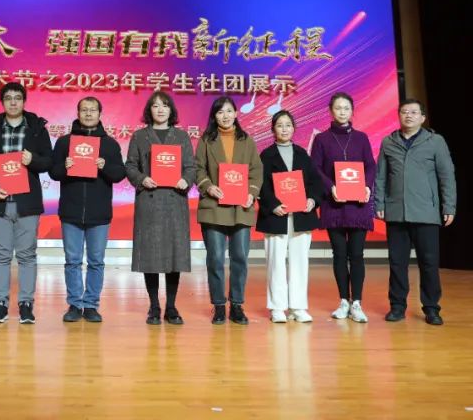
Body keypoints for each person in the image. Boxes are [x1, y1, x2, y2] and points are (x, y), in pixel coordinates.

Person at [375, 98, 457, 326]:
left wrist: (449, 206)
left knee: (429, 263)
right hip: (396, 212)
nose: (408, 115)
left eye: (413, 112)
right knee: (397, 263)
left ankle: (431, 308)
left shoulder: (435, 141)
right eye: (404, 112)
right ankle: (397, 306)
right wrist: (379, 204)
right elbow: (380, 176)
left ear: (422, 117)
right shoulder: (388, 142)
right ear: (399, 116)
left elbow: (447, 176)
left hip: (426, 213)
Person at [0, 82, 54, 325]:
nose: (13, 102)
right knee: (0, 255)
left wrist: (33, 160)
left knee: (27, 255)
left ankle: (26, 304)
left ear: (24, 101)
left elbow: (49, 162)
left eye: (17, 98)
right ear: (2, 102)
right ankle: (0, 304)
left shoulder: (37, 128)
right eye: (8, 98)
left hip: (27, 201)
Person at [50, 96, 126, 323]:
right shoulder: (64, 142)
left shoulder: (110, 144)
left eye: (93, 110)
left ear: (100, 114)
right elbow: (53, 172)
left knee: (96, 261)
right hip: (71, 211)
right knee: (72, 260)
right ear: (78, 113)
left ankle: (91, 304)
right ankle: (74, 304)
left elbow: (119, 174)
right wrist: (64, 167)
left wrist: (105, 166)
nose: (88, 114)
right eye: (84, 110)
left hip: (99, 213)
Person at [125, 91, 196, 326]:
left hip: (175, 201)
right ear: (149, 110)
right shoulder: (139, 136)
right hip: (149, 201)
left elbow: (191, 167)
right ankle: (154, 306)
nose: (160, 110)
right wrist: (142, 179)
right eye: (155, 106)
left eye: (164, 105)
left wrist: (186, 179)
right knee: (151, 255)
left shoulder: (182, 136)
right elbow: (130, 166)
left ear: (171, 110)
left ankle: (171, 307)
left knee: (174, 255)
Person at [194, 95, 263, 325]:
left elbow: (256, 171)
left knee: (240, 257)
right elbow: (198, 169)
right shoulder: (206, 140)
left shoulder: (247, 140)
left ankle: (237, 305)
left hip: (241, 207)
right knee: (215, 258)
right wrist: (208, 187)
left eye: (229, 111)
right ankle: (218, 306)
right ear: (214, 116)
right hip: (214, 206)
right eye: (220, 112)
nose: (225, 116)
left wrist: (251, 193)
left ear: (236, 113)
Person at [311, 91, 377, 323]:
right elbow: (315, 168)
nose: (342, 112)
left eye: (346, 108)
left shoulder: (361, 138)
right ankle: (343, 301)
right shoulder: (322, 139)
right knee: (339, 254)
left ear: (352, 111)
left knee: (356, 254)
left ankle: (357, 302)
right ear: (331, 111)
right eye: (338, 108)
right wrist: (331, 188)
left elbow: (370, 165)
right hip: (334, 204)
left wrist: (367, 186)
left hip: (358, 205)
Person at [257, 110, 324, 323]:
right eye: (280, 125)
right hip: (276, 216)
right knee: (275, 262)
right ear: (273, 129)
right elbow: (261, 185)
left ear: (294, 128)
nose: (284, 129)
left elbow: (315, 183)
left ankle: (298, 307)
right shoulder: (266, 155)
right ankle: (277, 308)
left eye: (288, 125)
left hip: (301, 216)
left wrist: (312, 200)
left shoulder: (302, 154)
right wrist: (273, 205)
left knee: (300, 262)